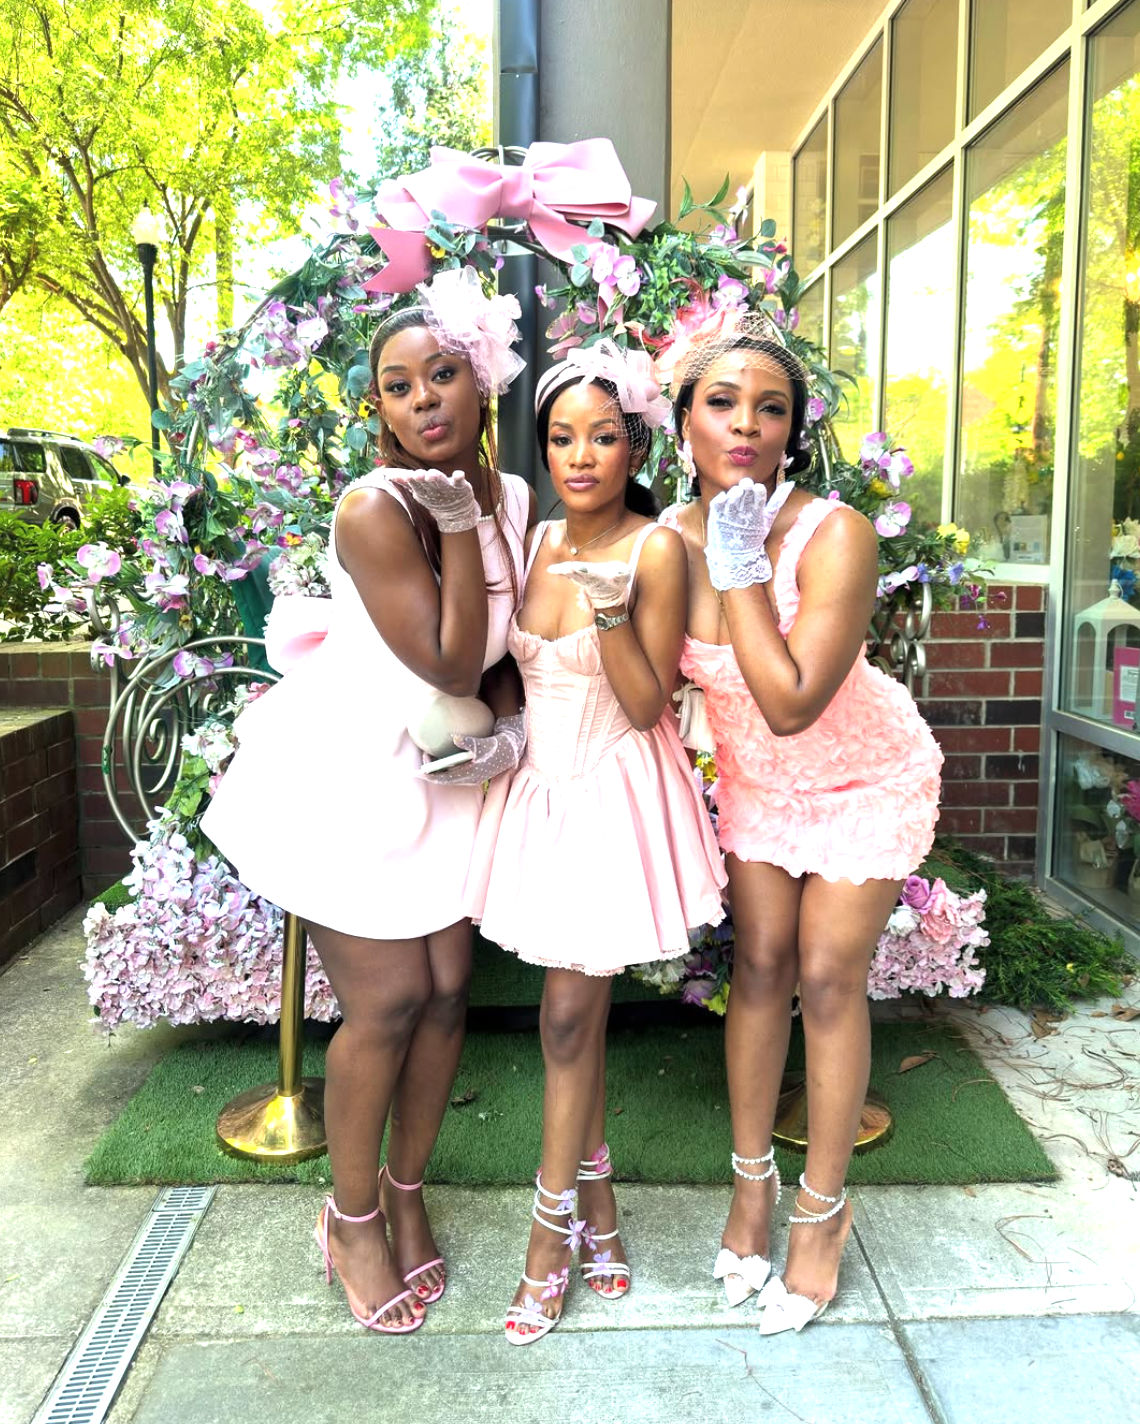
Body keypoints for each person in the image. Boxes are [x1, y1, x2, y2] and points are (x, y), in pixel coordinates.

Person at [201, 267, 533, 1334]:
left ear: (480, 387)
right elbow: (442, 655)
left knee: (445, 993)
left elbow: (510, 647)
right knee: (386, 1000)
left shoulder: (515, 497)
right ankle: (346, 1218)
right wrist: (453, 528)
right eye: (397, 385)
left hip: (448, 771)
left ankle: (403, 1189)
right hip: (352, 769)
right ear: (379, 408)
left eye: (443, 374)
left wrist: (515, 717)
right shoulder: (373, 508)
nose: (424, 398)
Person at [658, 310, 942, 1335]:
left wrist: (739, 570)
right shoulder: (666, 542)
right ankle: (750, 1186)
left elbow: (789, 701)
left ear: (794, 431)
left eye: (770, 408)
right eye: (722, 401)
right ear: (682, 418)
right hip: (759, 788)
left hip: (861, 772)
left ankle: (820, 1211)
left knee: (826, 974)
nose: (746, 424)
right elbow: (644, 684)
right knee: (762, 968)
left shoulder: (837, 535)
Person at [460, 341, 727, 1344]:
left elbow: (651, 697)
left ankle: (550, 1234)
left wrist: (611, 607)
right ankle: (601, 1208)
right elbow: (511, 674)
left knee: (570, 1022)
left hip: (618, 796)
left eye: (604, 436)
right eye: (563, 436)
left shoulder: (656, 547)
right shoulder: (530, 542)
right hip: (541, 796)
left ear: (632, 445)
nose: (582, 456)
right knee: (571, 1017)